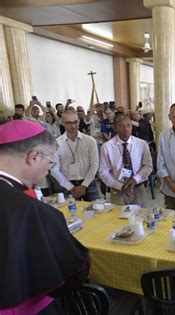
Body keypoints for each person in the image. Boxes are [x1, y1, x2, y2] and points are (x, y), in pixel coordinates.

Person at [0, 120, 89, 314]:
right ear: (33, 157)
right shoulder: (32, 211)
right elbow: (73, 274)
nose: (49, 170)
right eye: (50, 162)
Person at [99, 115, 153, 207]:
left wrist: (135, 179)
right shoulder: (107, 147)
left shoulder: (141, 144)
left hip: (138, 188)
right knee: (117, 217)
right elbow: (103, 172)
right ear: (115, 128)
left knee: (140, 217)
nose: (126, 128)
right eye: (121, 126)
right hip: (117, 189)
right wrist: (119, 186)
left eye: (128, 125)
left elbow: (148, 166)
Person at [51, 110, 100, 201]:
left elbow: (95, 164)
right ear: (62, 123)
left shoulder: (89, 140)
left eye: (75, 122)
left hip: (88, 182)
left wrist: (84, 185)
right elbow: (54, 169)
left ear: (79, 121)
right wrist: (70, 187)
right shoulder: (56, 143)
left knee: (96, 211)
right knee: (70, 213)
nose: (73, 126)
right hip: (67, 184)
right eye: (69, 123)